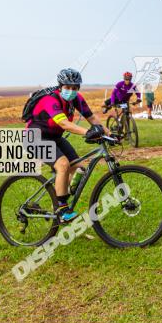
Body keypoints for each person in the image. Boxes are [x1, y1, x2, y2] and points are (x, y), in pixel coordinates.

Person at [25, 68, 108, 222]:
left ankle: (59, 195)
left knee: (80, 168)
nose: (71, 90)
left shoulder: (76, 99)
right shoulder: (50, 99)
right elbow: (64, 123)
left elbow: (91, 117)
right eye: (67, 87)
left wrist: (109, 133)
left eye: (75, 88)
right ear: (60, 86)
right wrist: (87, 132)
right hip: (34, 138)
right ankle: (61, 210)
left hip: (54, 137)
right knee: (63, 165)